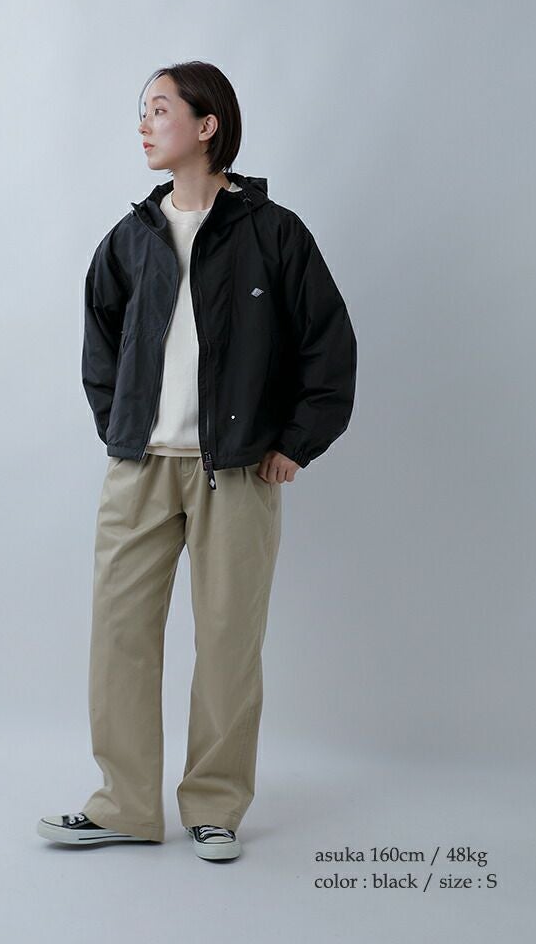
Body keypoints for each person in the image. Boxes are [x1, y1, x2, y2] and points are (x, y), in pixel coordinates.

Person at [37, 61, 357, 862]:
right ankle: (125, 805)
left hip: (239, 473)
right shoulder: (131, 239)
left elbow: (328, 346)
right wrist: (121, 428)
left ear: (207, 124)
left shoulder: (273, 232)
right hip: (140, 470)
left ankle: (215, 806)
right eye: (142, 111)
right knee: (120, 637)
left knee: (226, 644)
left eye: (159, 109)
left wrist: (295, 443)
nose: (144, 125)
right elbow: (100, 344)